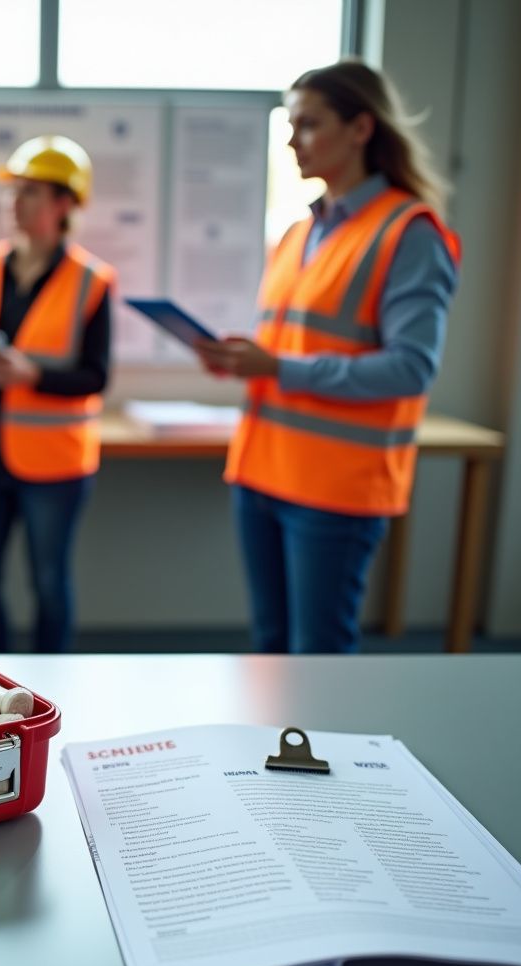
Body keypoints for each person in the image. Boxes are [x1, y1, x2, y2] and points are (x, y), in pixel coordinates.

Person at [192, 59, 461, 654]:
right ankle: (269, 752)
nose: (292, 141)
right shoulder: (298, 233)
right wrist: (242, 360)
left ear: (361, 128)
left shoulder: (408, 232)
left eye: (308, 125)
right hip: (262, 472)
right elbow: (294, 344)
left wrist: (278, 368)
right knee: (270, 646)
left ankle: (323, 753)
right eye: (290, 125)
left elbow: (412, 368)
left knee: (318, 655)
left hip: (336, 489)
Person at [0, 135, 115, 653]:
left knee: (49, 584)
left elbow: (95, 376)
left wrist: (30, 376)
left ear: (65, 204)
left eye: (32, 191)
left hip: (54, 466)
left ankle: (54, 686)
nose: (14, 202)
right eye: (13, 190)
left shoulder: (92, 280)